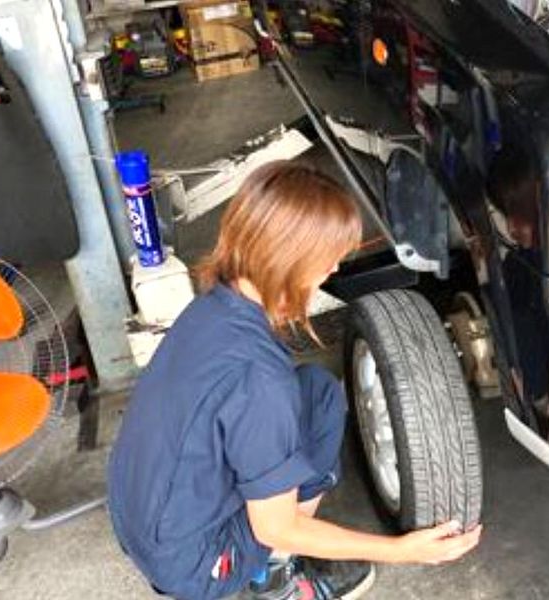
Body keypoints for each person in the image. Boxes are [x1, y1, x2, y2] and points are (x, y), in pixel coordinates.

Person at [107, 161, 482, 600]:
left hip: (139, 516)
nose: (333, 269)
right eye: (327, 260)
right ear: (289, 260)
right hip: (192, 562)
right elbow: (277, 527)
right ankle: (274, 578)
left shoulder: (212, 305)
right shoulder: (260, 379)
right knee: (292, 459)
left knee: (318, 394)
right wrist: (402, 551)